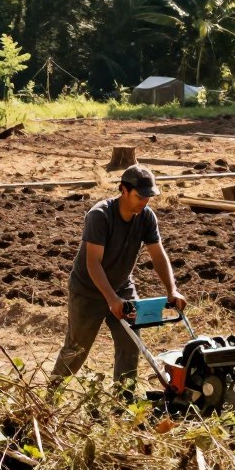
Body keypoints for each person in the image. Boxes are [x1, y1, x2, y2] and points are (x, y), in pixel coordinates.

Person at [50, 164, 186, 393]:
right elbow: (92, 263)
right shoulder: (100, 215)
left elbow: (158, 254)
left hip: (122, 287)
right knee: (77, 349)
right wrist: (111, 299)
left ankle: (123, 403)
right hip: (88, 290)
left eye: (149, 196)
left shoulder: (146, 217)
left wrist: (172, 290)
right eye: (140, 196)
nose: (145, 201)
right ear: (123, 189)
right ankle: (51, 395)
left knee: (131, 345)